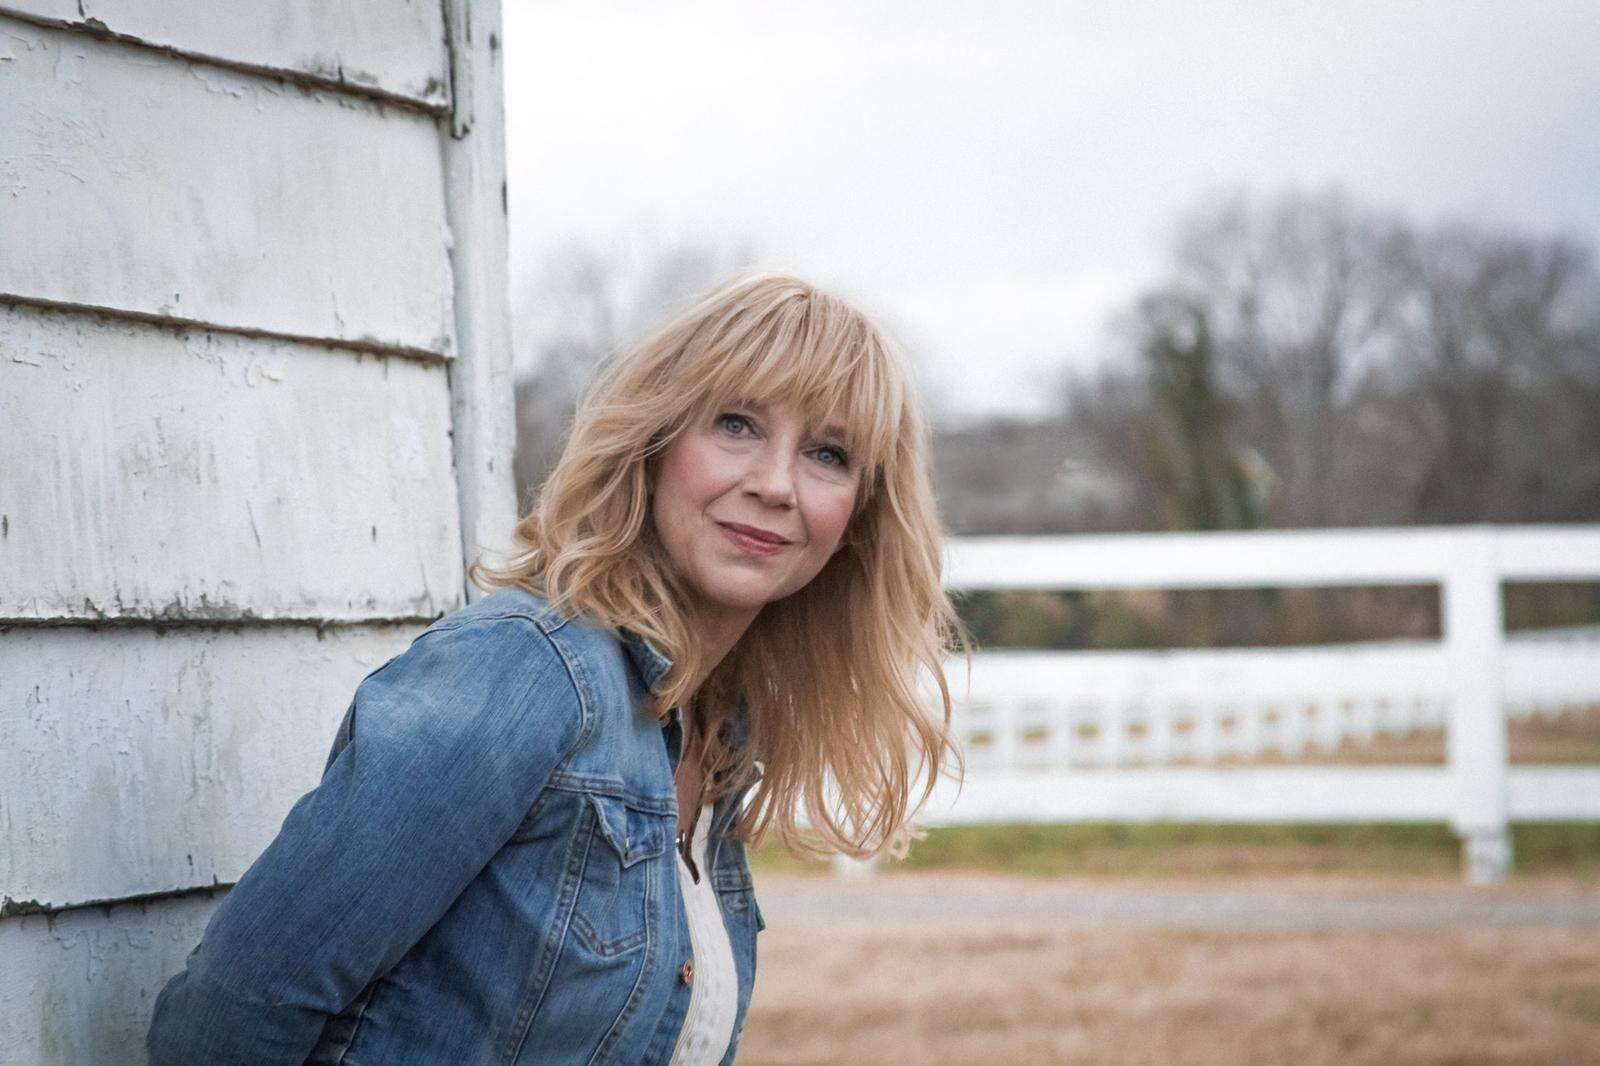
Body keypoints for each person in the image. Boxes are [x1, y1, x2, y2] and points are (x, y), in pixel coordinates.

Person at [146, 271, 967, 1064]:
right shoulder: (525, 672)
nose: (776, 485)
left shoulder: (712, 734)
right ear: (653, 441)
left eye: (827, 453)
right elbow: (231, 1014)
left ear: (860, 517)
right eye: (737, 424)